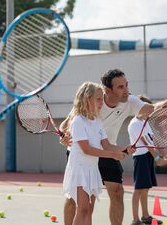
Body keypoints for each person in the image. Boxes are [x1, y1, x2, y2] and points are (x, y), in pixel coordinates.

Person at [61, 69, 167, 225]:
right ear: (107, 90)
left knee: (116, 191)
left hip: (108, 149)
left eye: (126, 85)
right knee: (80, 202)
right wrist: (64, 137)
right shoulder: (91, 103)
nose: (126, 90)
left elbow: (151, 108)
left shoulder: (129, 100)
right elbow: (66, 125)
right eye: (120, 87)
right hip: (83, 155)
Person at [62, 81, 128, 225]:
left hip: (92, 169)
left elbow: (107, 145)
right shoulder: (78, 121)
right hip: (79, 170)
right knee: (83, 209)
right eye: (98, 99)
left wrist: (125, 149)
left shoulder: (97, 121)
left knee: (88, 210)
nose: (101, 102)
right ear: (87, 99)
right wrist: (113, 155)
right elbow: (87, 149)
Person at [128, 95, 167, 225]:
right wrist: (158, 158)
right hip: (140, 158)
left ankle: (146, 216)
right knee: (138, 189)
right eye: (148, 109)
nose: (150, 111)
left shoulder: (145, 123)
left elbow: (155, 140)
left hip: (147, 157)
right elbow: (147, 143)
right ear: (139, 108)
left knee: (145, 188)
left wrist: (164, 155)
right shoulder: (135, 124)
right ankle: (135, 220)